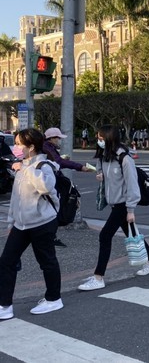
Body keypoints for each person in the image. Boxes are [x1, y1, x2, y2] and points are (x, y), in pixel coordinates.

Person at [78, 125, 149, 291]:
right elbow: (106, 175)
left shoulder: (124, 158)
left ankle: (98, 277)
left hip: (123, 203)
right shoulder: (105, 156)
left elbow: (132, 186)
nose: (98, 141)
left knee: (105, 235)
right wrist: (101, 175)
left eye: (101, 138)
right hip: (115, 202)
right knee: (131, 233)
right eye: (98, 138)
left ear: (109, 138)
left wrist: (130, 210)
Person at [0, 128, 63, 319]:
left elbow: (45, 186)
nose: (16, 147)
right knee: (6, 262)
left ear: (31, 146)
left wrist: (25, 169)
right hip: (21, 224)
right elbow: (16, 198)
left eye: (19, 144)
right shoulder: (22, 165)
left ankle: (53, 299)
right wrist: (11, 221)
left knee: (46, 261)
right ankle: (5, 305)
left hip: (42, 222)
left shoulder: (44, 165)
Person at [43, 127, 94, 248]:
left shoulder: (48, 147)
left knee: (53, 207)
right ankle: (50, 236)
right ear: (52, 138)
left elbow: (56, 161)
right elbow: (58, 162)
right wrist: (80, 167)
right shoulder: (47, 147)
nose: (59, 140)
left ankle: (50, 235)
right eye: (58, 138)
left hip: (53, 178)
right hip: (52, 180)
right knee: (56, 207)